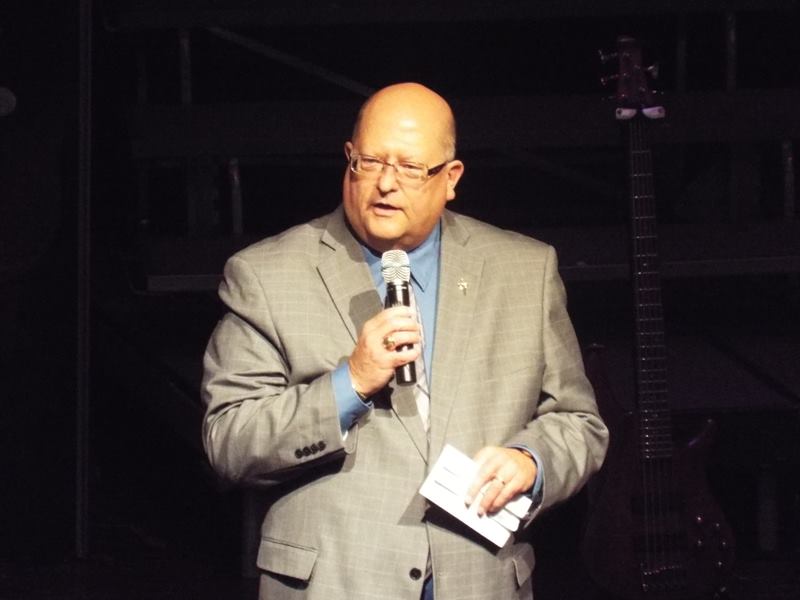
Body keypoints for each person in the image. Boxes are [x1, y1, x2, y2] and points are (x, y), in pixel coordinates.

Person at [201, 82, 608, 600]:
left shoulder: (524, 270)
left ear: (450, 178)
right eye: (370, 162)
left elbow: (579, 422)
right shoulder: (267, 274)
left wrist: (532, 462)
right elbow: (229, 441)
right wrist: (349, 383)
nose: (386, 184)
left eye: (411, 168)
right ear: (348, 159)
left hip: (478, 580)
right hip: (336, 583)